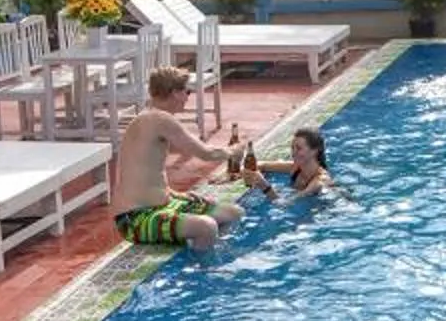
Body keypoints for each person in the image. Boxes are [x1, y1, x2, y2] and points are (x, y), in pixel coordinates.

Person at [112, 67, 230, 252]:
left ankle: (205, 251)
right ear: (175, 93)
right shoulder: (160, 119)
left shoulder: (150, 118)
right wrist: (234, 151)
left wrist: (174, 193)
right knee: (206, 227)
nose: (187, 97)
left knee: (231, 213)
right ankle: (201, 271)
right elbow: (206, 153)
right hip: (135, 217)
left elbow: (146, 173)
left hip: (163, 204)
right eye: (187, 91)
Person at [226, 125, 339, 201]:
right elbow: (263, 165)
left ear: (314, 151)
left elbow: (284, 204)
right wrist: (234, 174)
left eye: (298, 148)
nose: (293, 153)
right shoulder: (296, 167)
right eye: (292, 148)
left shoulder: (319, 181)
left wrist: (264, 185)